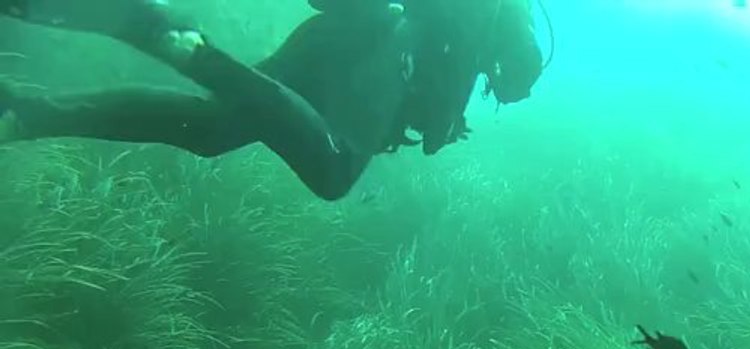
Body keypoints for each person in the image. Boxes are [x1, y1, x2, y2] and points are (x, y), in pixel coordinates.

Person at [0, 0, 545, 200]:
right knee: (334, 170)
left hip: (345, 37)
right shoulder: (500, 15)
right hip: (381, 52)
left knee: (215, 129)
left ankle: (24, 112)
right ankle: (185, 46)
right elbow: (521, 72)